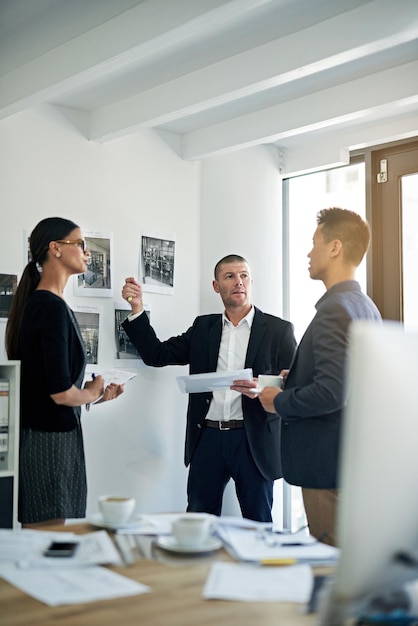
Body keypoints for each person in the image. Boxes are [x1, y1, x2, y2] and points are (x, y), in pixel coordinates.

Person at [232, 208, 382, 545]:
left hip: (325, 465)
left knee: (330, 564)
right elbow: (349, 380)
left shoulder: (333, 310)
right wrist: (296, 377)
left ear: (335, 247)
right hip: (348, 459)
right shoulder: (363, 306)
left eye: (315, 244)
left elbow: (332, 392)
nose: (309, 253)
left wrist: (278, 400)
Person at [121, 254, 296, 522]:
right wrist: (136, 309)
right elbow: (156, 355)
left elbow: (293, 383)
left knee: (257, 522)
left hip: (253, 442)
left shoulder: (278, 330)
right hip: (208, 439)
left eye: (244, 276)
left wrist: (262, 388)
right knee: (198, 522)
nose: (239, 282)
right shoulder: (204, 327)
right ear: (216, 286)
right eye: (230, 276)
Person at [6, 217, 124, 528]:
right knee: (46, 542)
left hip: (48, 436)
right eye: (81, 244)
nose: (87, 253)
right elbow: (59, 392)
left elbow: (45, 387)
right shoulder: (50, 308)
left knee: (47, 538)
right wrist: (92, 391)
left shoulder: (44, 304)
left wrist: (94, 396)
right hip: (48, 442)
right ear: (55, 249)